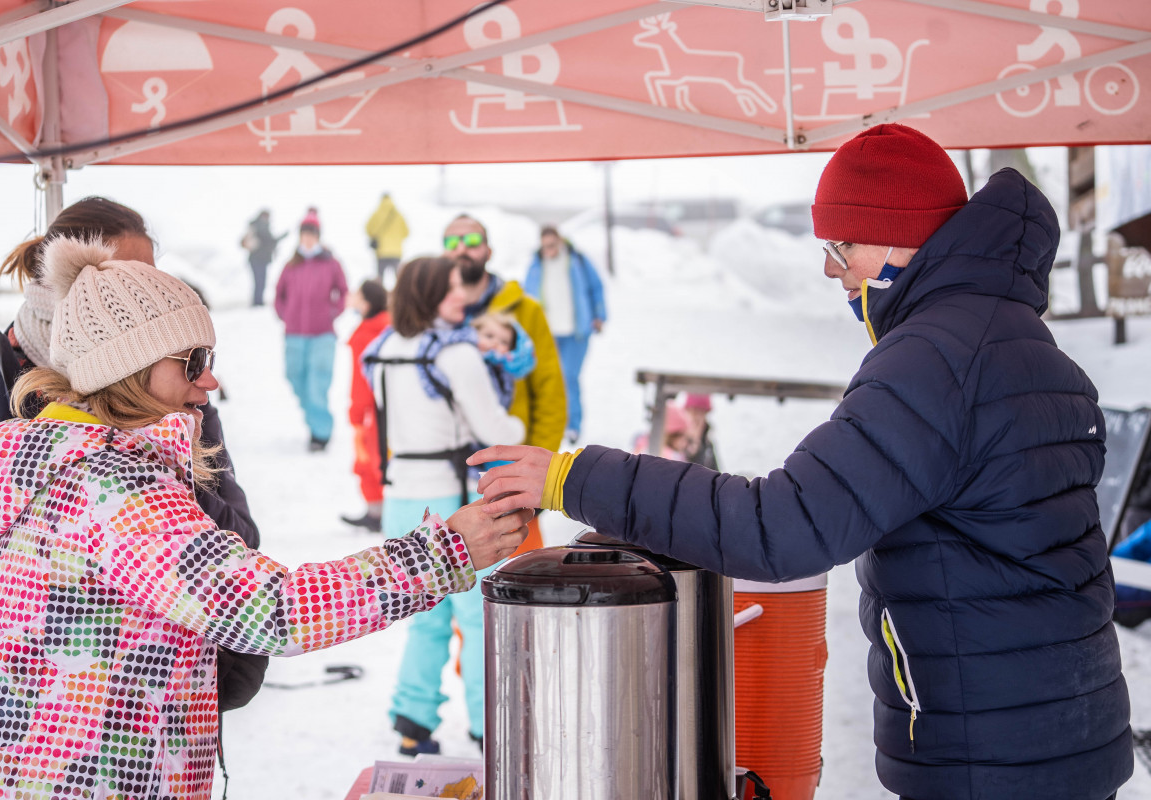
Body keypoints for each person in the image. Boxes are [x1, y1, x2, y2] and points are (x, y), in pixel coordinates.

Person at [470, 124, 1132, 800]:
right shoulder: (1025, 343)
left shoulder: (935, 359)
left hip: (990, 758)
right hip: (1065, 730)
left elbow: (781, 526)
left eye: (842, 246)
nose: (831, 268)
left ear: (900, 236)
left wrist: (574, 477)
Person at [0, 237, 532, 799]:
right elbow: (271, 610)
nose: (210, 380)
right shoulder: (113, 488)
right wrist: (444, 553)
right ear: (127, 370)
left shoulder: (50, 463)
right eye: (193, 361)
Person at [0, 198, 260, 664]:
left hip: (165, 694)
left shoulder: (179, 394)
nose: (146, 291)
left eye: (153, 277)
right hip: (48, 713)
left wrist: (162, 462)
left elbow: (242, 543)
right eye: (120, 279)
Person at [363, 256, 525, 756]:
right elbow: (497, 431)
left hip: (400, 494)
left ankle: (413, 718)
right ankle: (489, 724)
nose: (463, 297)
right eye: (452, 288)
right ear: (431, 293)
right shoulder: (456, 354)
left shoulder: (383, 347)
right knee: (477, 617)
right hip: (452, 497)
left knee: (424, 614)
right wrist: (518, 427)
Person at [445, 214, 566, 553]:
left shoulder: (525, 311)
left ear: (488, 250)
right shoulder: (435, 313)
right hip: (443, 472)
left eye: (471, 241)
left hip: (508, 473)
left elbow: (550, 393)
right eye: (452, 242)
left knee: (518, 578)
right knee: (440, 586)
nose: (461, 250)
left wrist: (540, 472)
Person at [523, 225, 606, 444]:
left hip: (575, 331)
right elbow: (527, 295)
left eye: (552, 245)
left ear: (559, 241)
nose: (548, 250)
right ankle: (552, 424)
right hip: (548, 332)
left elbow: (596, 287)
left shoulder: (577, 260)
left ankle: (573, 425)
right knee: (548, 380)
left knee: (569, 377)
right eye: (544, 246)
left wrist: (599, 315)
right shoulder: (536, 264)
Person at [274, 208, 348, 451]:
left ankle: (321, 433)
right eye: (304, 234)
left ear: (318, 236)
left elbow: (343, 291)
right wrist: (285, 314)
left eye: (312, 234)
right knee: (295, 378)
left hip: (322, 335)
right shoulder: (291, 265)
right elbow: (279, 294)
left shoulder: (331, 263)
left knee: (317, 385)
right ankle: (315, 421)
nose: (308, 238)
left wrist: (332, 313)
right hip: (294, 335)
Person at [342, 279, 391, 532]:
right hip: (388, 409)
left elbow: (361, 382)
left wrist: (357, 413)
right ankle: (383, 511)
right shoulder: (389, 326)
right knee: (381, 460)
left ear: (367, 302)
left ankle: (378, 513)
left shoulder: (366, 334)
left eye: (356, 293)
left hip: (371, 412)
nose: (351, 296)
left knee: (368, 462)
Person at [241, 209, 285, 307]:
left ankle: (257, 301)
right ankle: (258, 303)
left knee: (258, 282)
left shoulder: (255, 225)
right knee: (260, 281)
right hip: (259, 259)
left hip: (256, 259)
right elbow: (270, 241)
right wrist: (282, 236)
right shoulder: (262, 226)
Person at [365, 192, 410, 282]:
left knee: (380, 279)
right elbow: (406, 232)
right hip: (396, 252)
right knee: (399, 279)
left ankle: (379, 295)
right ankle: (399, 295)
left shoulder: (377, 213)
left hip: (382, 252)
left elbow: (368, 229)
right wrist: (396, 239)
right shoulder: (398, 215)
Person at [680, 393, 719, 470]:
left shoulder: (708, 444)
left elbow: (717, 474)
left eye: (700, 411)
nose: (694, 416)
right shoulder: (678, 441)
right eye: (691, 411)